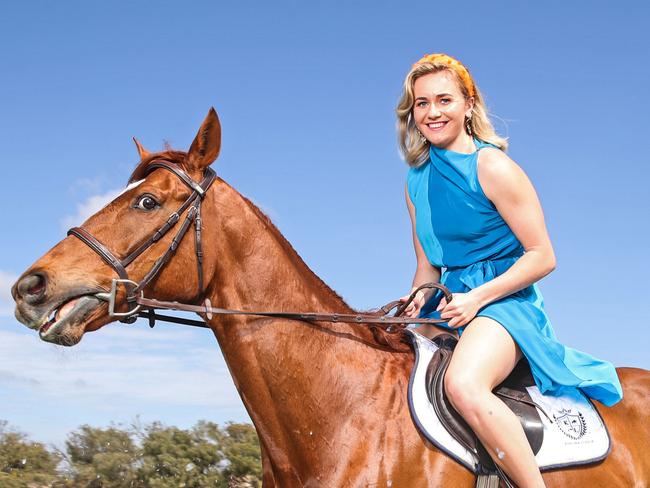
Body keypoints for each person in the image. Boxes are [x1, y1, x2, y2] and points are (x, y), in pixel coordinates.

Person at [396, 53, 623, 488]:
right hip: (449, 301)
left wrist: (478, 297)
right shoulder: (415, 179)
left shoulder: (493, 166)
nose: (432, 112)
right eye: (421, 104)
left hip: (503, 304)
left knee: (463, 383)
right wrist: (413, 302)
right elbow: (427, 267)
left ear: (468, 103)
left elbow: (542, 255)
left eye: (444, 100)